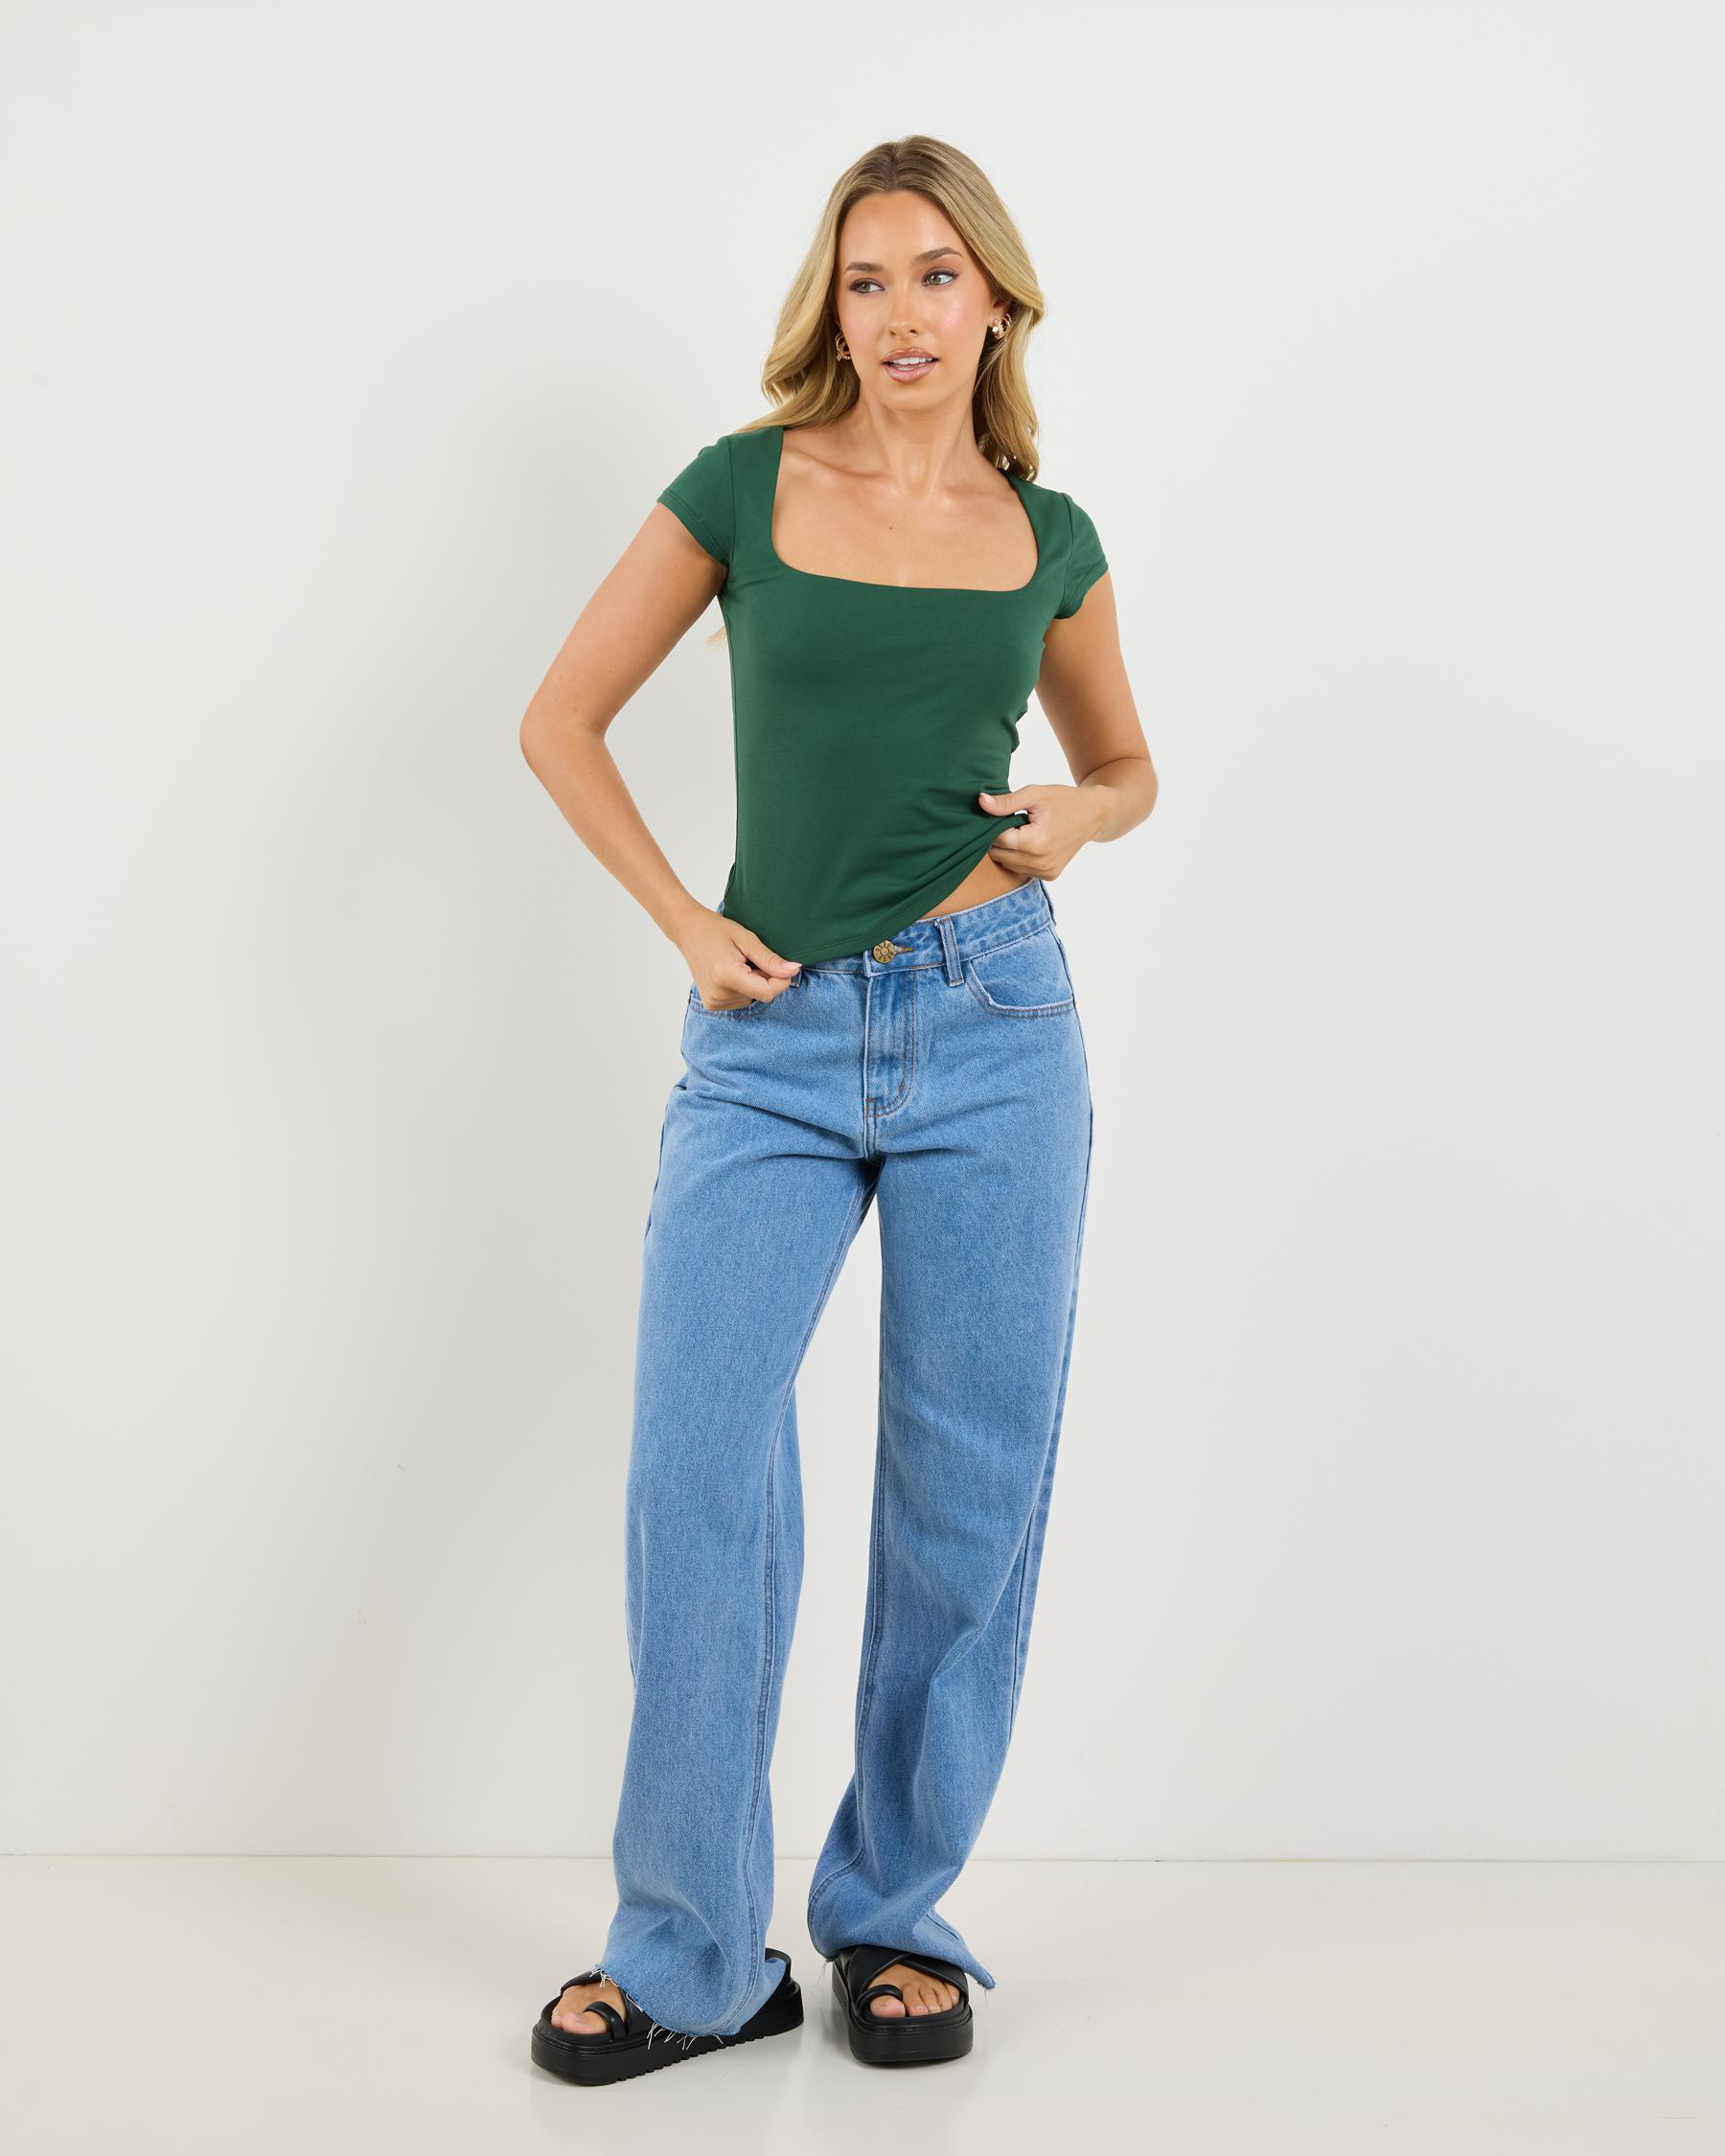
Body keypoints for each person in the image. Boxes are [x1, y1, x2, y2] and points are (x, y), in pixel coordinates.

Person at [519, 134, 1157, 2087]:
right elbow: (559, 717)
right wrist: (683, 918)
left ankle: (893, 1915)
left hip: (996, 1022)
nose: (900, 314)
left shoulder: (1048, 534)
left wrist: (1079, 815)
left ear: (999, 303)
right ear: (834, 304)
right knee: (697, 1470)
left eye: (936, 276)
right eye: (867, 279)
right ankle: (696, 1952)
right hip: (770, 1037)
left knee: (969, 1490)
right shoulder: (744, 485)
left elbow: (1129, 766)